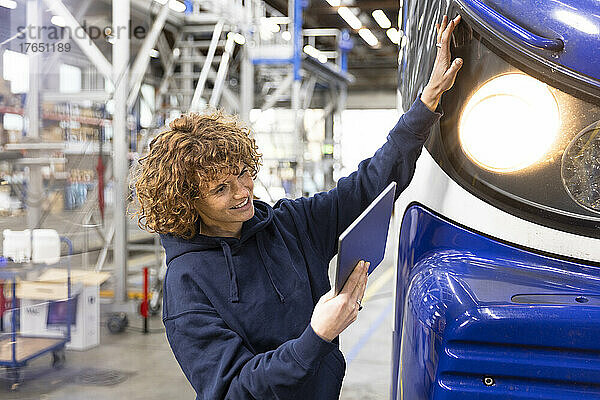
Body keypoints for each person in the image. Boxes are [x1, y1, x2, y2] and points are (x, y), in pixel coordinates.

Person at [131, 15, 463, 400]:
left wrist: (426, 103)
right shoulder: (186, 284)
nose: (243, 192)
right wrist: (317, 337)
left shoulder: (289, 224)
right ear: (188, 203)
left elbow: (368, 186)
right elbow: (234, 390)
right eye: (222, 188)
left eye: (243, 173)